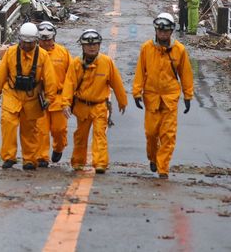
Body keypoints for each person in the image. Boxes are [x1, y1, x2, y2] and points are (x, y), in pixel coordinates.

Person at [133, 13, 193, 179]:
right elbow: (140, 71)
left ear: (171, 31)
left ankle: (163, 167)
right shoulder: (146, 48)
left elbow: (186, 74)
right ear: (156, 30)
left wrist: (188, 95)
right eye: (160, 31)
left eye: (166, 31)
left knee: (168, 134)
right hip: (151, 98)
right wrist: (136, 92)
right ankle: (153, 157)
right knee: (151, 133)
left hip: (170, 98)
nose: (163, 34)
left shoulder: (179, 50)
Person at [0, 22, 58, 170]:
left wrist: (49, 98)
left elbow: (50, 79)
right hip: (12, 94)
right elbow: (1, 74)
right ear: (19, 39)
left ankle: (30, 159)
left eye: (30, 43)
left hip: (32, 97)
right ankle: (9, 157)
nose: (27, 45)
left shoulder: (42, 56)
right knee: (8, 125)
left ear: (36, 41)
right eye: (24, 42)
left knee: (30, 131)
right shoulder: (10, 53)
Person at [62, 29, 128, 174]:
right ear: (83, 47)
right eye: (88, 45)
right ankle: (78, 162)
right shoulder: (76, 64)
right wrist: (65, 103)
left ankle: (100, 163)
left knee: (100, 135)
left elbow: (116, 83)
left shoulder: (106, 62)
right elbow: (69, 84)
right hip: (82, 106)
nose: (92, 47)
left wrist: (122, 101)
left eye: (95, 45)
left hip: (99, 106)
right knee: (80, 135)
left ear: (99, 45)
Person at [34, 22, 72, 167]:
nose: (46, 43)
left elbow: (72, 76)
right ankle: (42, 157)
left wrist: (70, 98)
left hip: (58, 98)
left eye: (48, 39)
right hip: (40, 98)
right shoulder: (33, 54)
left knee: (59, 129)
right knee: (41, 130)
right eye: (43, 40)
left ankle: (59, 147)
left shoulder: (63, 53)